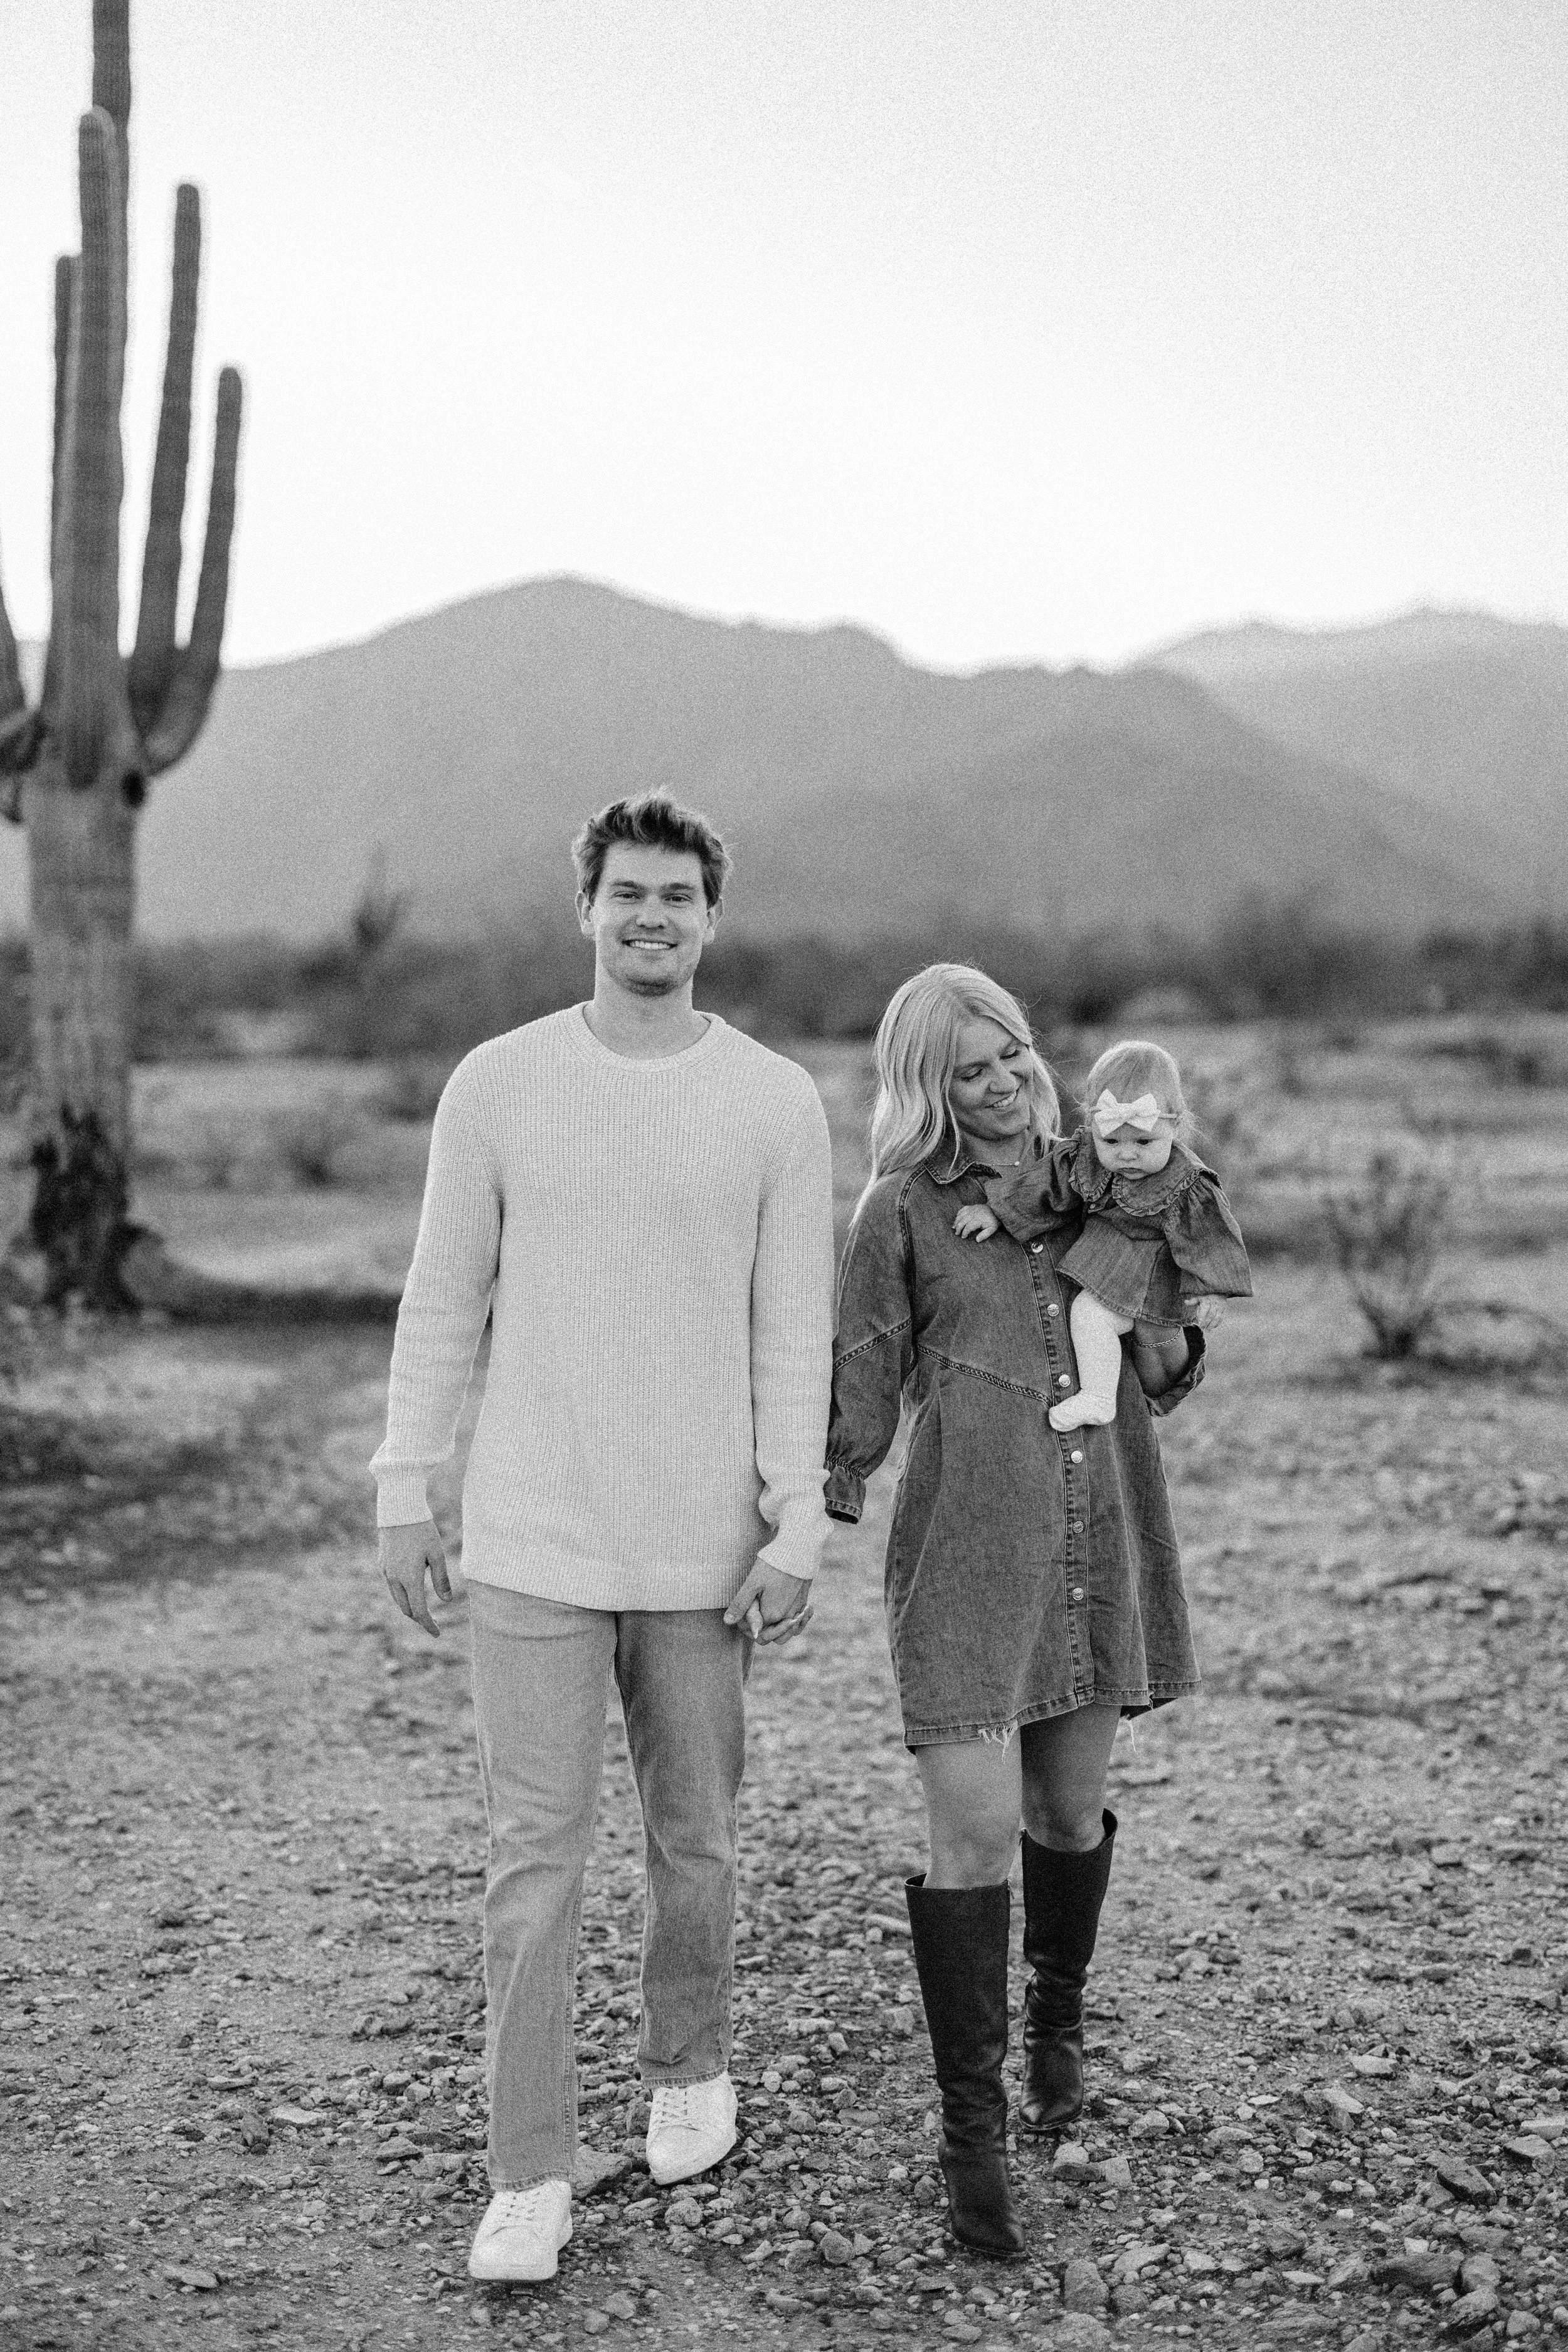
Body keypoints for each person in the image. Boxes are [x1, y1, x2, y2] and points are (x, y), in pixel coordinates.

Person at [371, 793, 834, 2285]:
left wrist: (795, 1522)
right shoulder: (499, 1084)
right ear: (586, 907)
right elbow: (442, 1298)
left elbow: (794, 1333)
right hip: (528, 1539)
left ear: (711, 917)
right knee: (533, 1864)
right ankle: (529, 2166)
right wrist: (404, 1481)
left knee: (694, 1837)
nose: (652, 916)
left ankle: (691, 2063)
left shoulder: (773, 1101)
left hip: (704, 1554)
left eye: (678, 895)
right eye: (627, 891)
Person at [826, 965, 1217, 2258]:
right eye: (967, 1068)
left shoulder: (1105, 1172)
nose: (999, 1081)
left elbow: (1160, 1374)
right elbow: (862, 1387)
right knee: (974, 1835)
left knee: (1062, 1808)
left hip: (1093, 1529)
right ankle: (969, 2139)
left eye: (1009, 1055)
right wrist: (792, 1512)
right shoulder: (896, 1211)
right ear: (926, 1086)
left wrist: (1166, 1308)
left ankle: (1055, 2026)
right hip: (969, 1554)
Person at [953, 1036, 1251, 1428]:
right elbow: (1046, 1187)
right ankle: (1100, 1392)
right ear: (1091, 1124)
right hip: (1107, 1262)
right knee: (1087, 1317)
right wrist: (997, 1211)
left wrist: (1213, 1288)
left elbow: (1211, 1236)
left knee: (1090, 1315)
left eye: (1144, 1141)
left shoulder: (1189, 1183)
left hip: (1149, 1274)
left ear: (1175, 1126)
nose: (1127, 1154)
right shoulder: (1084, 1158)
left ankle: (1097, 1396)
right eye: (1111, 1140)